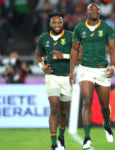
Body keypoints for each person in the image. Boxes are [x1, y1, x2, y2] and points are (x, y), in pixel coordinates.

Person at [69, 3, 115, 150]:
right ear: (87, 12)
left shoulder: (107, 28)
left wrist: (113, 66)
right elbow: (74, 50)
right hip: (85, 70)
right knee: (87, 101)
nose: (96, 12)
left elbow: (113, 48)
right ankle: (87, 137)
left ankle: (107, 125)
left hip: (102, 70)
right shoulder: (79, 28)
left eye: (98, 10)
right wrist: (72, 71)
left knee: (104, 106)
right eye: (93, 10)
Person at [35, 13, 72, 150]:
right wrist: (42, 67)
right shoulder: (43, 38)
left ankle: (61, 137)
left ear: (63, 23)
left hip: (67, 77)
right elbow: (38, 55)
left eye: (59, 22)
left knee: (63, 112)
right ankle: (53, 143)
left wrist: (65, 56)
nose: (57, 25)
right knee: (54, 107)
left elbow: (80, 54)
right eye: (54, 23)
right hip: (52, 77)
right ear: (50, 24)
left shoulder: (70, 36)